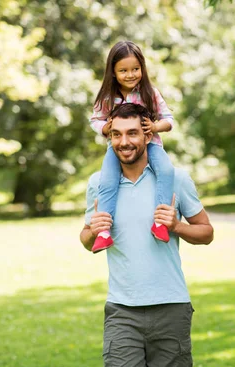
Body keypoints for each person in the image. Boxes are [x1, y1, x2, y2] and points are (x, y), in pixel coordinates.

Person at [80, 103, 214, 367]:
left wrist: (177, 226)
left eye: (131, 133)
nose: (124, 142)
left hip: (170, 305)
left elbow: (206, 232)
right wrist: (92, 230)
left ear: (147, 133)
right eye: (116, 134)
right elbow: (87, 241)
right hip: (122, 309)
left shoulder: (175, 179)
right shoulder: (99, 184)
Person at [90, 40, 176, 253]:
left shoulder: (150, 93)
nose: (130, 74)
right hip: (116, 148)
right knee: (108, 181)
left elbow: (169, 119)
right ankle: (103, 232)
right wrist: (105, 128)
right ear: (113, 72)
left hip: (150, 144)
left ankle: (160, 223)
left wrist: (155, 126)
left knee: (166, 170)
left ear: (142, 69)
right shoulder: (108, 97)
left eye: (135, 69)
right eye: (123, 70)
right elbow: (95, 120)